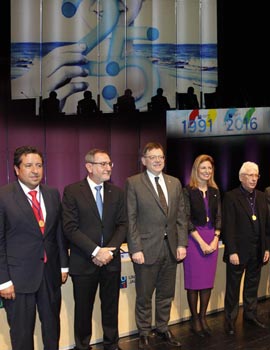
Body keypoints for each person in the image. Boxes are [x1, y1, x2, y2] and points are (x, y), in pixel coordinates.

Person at [0, 145, 69, 350]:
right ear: (16, 169)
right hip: (18, 279)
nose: (35, 170)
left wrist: (63, 266)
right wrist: (3, 280)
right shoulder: (3, 196)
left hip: (49, 275)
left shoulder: (52, 193)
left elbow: (58, 233)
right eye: (28, 165)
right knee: (22, 334)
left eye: (39, 165)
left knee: (52, 329)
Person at [62, 148, 127, 350]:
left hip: (111, 261)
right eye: (103, 164)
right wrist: (96, 251)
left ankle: (111, 344)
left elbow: (122, 225)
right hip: (84, 261)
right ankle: (82, 346)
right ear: (89, 167)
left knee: (110, 308)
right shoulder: (72, 191)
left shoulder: (117, 192)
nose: (108, 168)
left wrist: (109, 251)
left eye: (110, 164)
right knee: (83, 310)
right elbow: (70, 228)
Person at [125, 142, 188, 349]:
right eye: (152, 157)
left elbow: (180, 216)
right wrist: (135, 248)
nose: (157, 160)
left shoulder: (174, 182)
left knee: (166, 293)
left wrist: (182, 244)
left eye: (160, 156)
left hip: (170, 248)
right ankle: (143, 332)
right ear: (144, 161)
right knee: (144, 295)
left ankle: (162, 327)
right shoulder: (133, 183)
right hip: (146, 249)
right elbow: (131, 218)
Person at [222, 161, 270, 335]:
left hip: (258, 250)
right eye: (250, 175)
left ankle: (250, 316)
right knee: (233, 288)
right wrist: (232, 250)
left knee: (252, 285)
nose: (254, 178)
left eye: (256, 175)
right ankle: (230, 321)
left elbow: (266, 226)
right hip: (238, 252)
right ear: (241, 177)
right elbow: (229, 227)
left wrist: (267, 249)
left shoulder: (262, 196)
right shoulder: (231, 196)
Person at [183, 154, 221, 337]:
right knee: (193, 283)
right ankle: (194, 319)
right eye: (203, 168)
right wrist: (201, 242)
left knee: (206, 283)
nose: (207, 171)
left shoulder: (215, 191)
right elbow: (186, 219)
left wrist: (215, 239)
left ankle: (203, 317)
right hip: (194, 240)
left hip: (211, 238)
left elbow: (219, 217)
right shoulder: (188, 191)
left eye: (209, 168)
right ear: (196, 170)